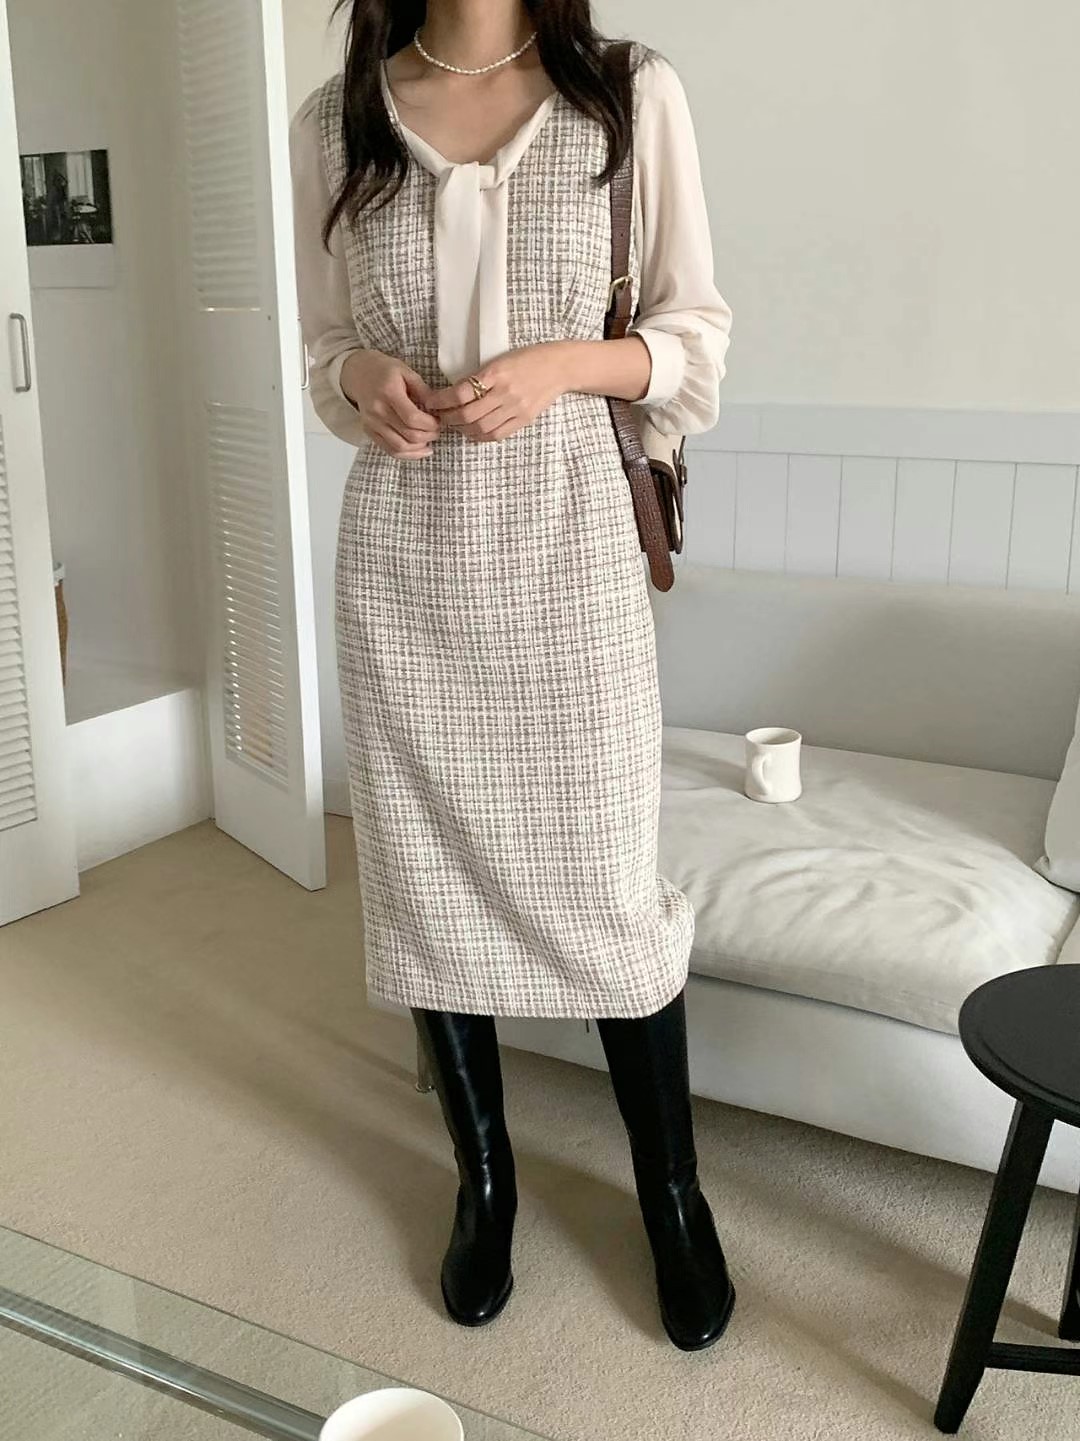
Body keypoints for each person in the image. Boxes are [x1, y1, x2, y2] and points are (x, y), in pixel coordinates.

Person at [290, 0, 734, 1351]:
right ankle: (486, 1179)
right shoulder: (337, 121)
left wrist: (562, 366)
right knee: (423, 877)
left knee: (607, 888)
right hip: (405, 563)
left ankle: (671, 1191)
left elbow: (695, 341)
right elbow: (321, 355)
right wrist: (362, 372)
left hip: (569, 556)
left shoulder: (626, 95)